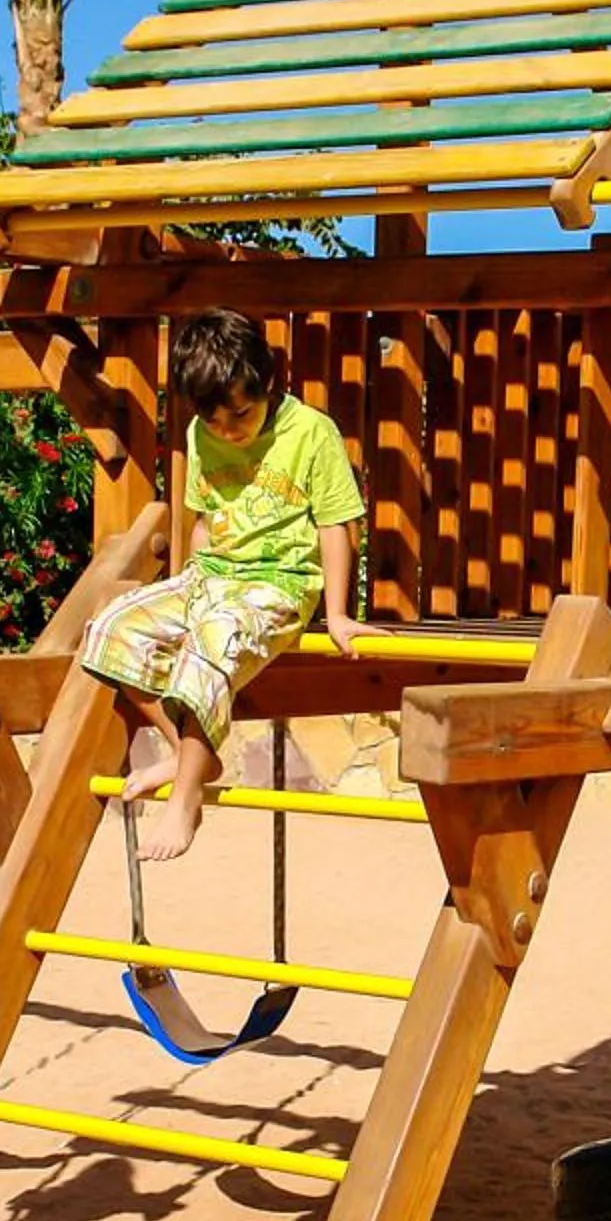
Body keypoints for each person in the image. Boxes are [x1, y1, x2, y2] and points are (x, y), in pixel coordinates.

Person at [80, 309, 367, 861]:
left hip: (278, 585)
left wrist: (335, 613)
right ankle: (187, 752)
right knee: (112, 628)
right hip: (215, 576)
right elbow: (205, 521)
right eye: (216, 422)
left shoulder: (310, 433)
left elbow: (336, 525)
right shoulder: (199, 434)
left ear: (271, 383)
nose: (230, 430)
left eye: (242, 413)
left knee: (212, 638)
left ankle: (185, 797)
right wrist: (186, 584)